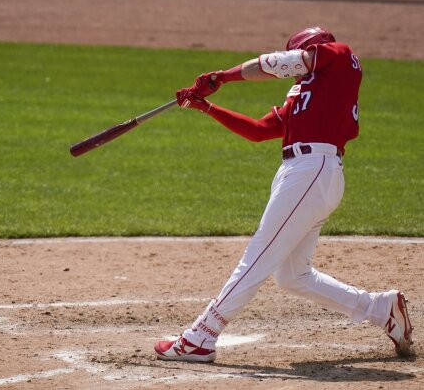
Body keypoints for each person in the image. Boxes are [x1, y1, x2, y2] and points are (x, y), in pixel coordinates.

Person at [154, 27, 413, 362]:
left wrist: (223, 77)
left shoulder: (339, 55)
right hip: (306, 175)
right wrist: (206, 107)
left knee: (257, 256)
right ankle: (380, 309)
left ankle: (200, 337)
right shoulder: (308, 92)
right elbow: (260, 131)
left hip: (313, 170)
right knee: (293, 275)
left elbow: (285, 62)